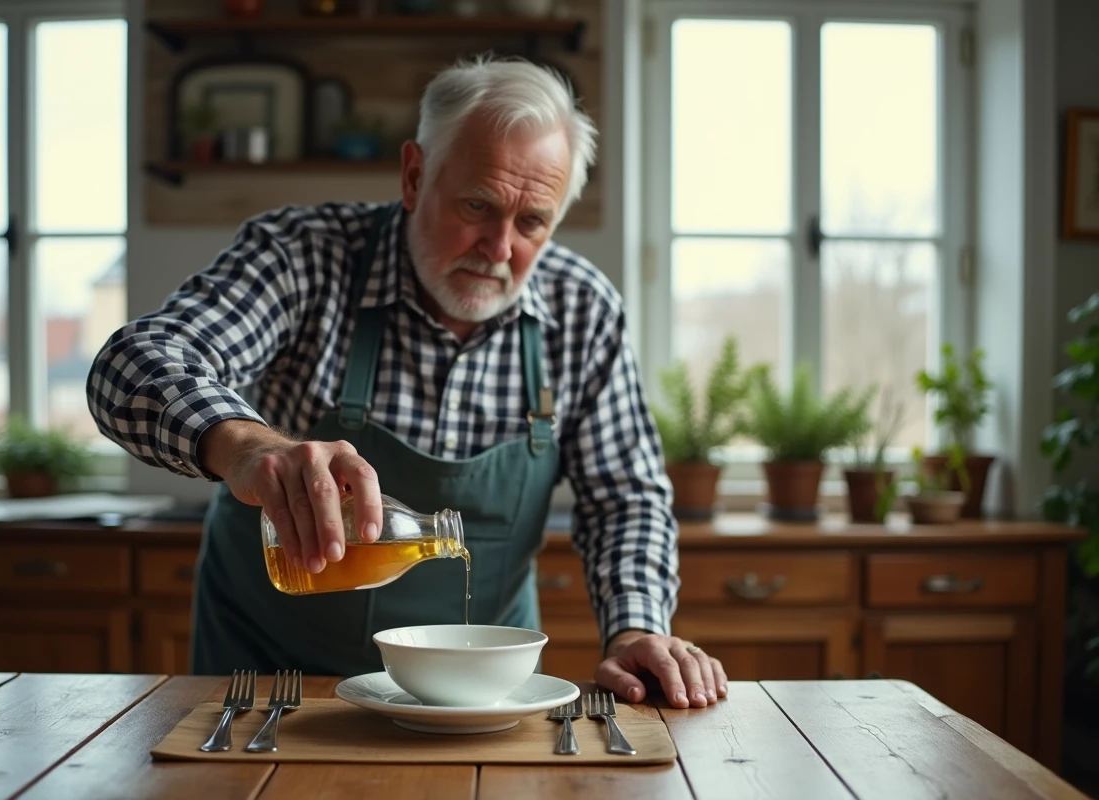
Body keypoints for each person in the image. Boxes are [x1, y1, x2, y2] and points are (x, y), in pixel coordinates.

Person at [87, 56, 727, 709]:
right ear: (415, 176)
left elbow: (625, 497)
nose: (500, 247)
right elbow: (132, 364)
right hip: (276, 684)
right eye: (478, 205)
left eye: (532, 221)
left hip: (471, 695)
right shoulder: (304, 255)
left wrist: (636, 627)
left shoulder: (582, 309)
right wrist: (247, 446)